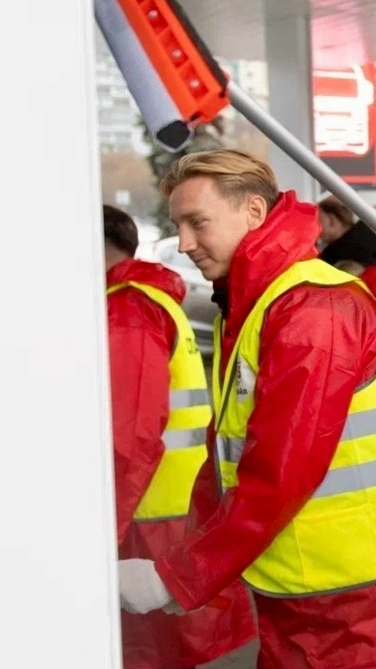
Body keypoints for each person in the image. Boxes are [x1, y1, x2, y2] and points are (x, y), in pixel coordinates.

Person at [116, 150, 376, 669]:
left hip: (355, 604)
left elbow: (278, 472)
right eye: (178, 226)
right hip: (322, 594)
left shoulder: (311, 309)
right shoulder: (255, 304)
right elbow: (228, 459)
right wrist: (185, 565)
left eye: (198, 222)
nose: (185, 243)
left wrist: (180, 574)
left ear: (254, 213)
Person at [103, 205, 255, 669]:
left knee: (150, 655)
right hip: (172, 515)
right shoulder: (151, 301)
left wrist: (103, 530)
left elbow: (129, 439)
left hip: (143, 525)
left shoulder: (128, 309)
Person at [317, 195, 376, 307]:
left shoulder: (335, 259)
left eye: (319, 221)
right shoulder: (372, 249)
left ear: (332, 221)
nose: (317, 227)